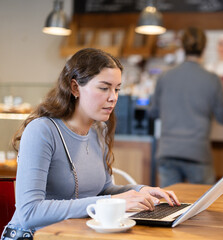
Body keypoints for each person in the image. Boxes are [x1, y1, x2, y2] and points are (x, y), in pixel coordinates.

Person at [1, 48, 180, 240]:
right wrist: (111, 201)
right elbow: (30, 212)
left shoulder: (98, 130)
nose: (113, 97)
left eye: (117, 89)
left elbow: (103, 190)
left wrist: (139, 190)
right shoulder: (42, 130)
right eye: (104, 88)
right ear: (75, 87)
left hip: (73, 234)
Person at [149, 27, 223, 188]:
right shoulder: (212, 80)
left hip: (168, 152)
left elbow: (153, 112)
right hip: (197, 154)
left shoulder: (165, 77)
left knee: (169, 208)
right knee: (203, 207)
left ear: (182, 47)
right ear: (204, 48)